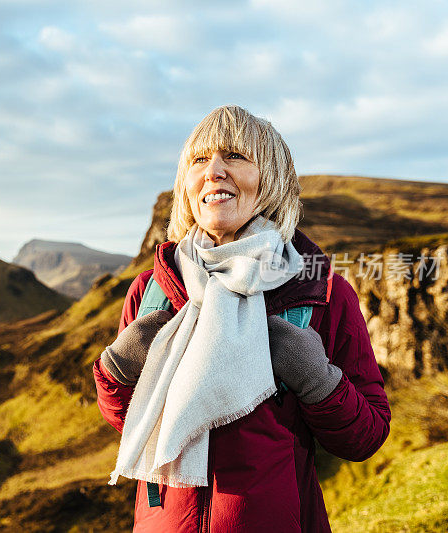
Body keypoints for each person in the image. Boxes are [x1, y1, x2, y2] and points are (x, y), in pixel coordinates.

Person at [92, 105, 390, 532]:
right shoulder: (152, 290)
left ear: (270, 179)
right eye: (199, 160)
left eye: (234, 155)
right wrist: (117, 370)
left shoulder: (321, 294)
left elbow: (367, 435)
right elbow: (131, 422)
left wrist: (317, 380)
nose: (213, 171)